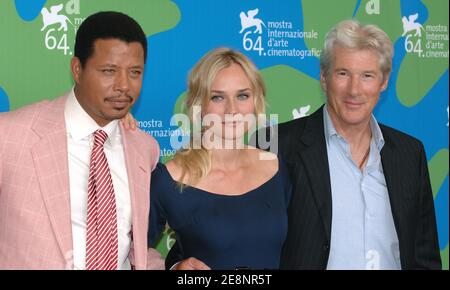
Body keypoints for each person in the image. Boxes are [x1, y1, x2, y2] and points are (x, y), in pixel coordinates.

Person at [0, 11, 163, 270]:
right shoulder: (9, 136)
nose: (124, 85)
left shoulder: (145, 149)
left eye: (135, 72)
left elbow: (134, 246)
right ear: (77, 69)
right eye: (109, 71)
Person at [275, 20, 441, 269]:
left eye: (367, 76)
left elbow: (424, 256)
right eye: (343, 73)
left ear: (383, 82)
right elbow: (251, 243)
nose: (354, 90)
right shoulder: (278, 146)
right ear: (323, 77)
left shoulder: (410, 153)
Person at [148, 48, 292, 270]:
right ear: (199, 106)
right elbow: (128, 254)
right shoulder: (169, 179)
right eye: (217, 97)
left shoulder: (275, 166)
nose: (232, 110)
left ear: (256, 101)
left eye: (242, 95)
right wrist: (175, 269)